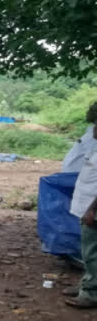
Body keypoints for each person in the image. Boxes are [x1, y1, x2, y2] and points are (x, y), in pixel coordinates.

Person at [64, 112, 97, 308]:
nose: (93, 129)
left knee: (92, 252)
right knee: (88, 251)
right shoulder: (94, 146)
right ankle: (88, 283)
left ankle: (91, 293)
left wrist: (91, 210)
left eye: (96, 125)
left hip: (92, 211)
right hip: (86, 208)